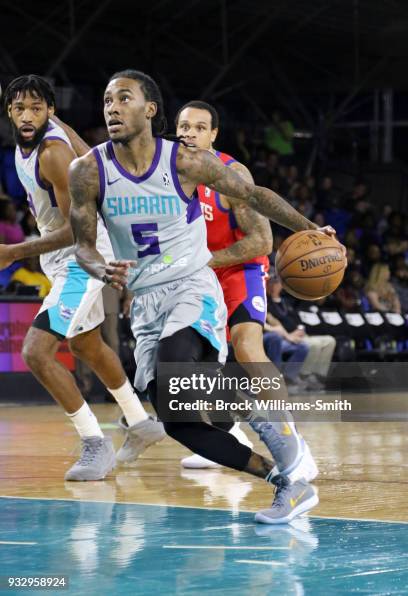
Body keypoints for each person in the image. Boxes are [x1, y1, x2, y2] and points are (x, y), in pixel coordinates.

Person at [68, 69, 343, 523]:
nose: (111, 108)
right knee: (179, 421)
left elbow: (253, 195)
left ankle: (267, 421)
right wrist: (100, 267)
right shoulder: (88, 171)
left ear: (149, 109)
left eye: (123, 98)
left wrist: (311, 230)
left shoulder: (184, 162)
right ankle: (286, 483)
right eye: (106, 100)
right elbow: (81, 243)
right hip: (146, 305)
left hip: (192, 287)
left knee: (181, 368)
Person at [0, 75, 165, 481]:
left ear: (50, 111)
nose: (27, 116)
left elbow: (78, 229)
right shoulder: (55, 138)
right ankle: (140, 422)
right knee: (86, 343)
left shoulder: (52, 153)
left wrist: (13, 252)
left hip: (82, 258)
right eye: (20, 108)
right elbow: (92, 157)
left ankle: (95, 444)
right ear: (8, 111)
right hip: (63, 258)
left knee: (37, 352)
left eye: (36, 108)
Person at [175, 100, 317, 475]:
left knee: (247, 346)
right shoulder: (167, 172)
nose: (189, 133)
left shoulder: (231, 173)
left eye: (199, 127)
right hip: (198, 275)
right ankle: (226, 431)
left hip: (240, 268)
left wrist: (309, 230)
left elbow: (261, 242)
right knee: (204, 364)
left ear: (213, 134)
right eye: (184, 126)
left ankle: (292, 444)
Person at [266, 274, 336, 390]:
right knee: (313, 344)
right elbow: (274, 323)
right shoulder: (268, 303)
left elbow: (297, 318)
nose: (277, 285)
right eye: (274, 283)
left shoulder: (286, 301)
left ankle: (318, 375)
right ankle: (304, 375)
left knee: (330, 340)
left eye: (278, 282)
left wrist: (300, 329)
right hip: (285, 336)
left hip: (299, 333)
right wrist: (290, 335)